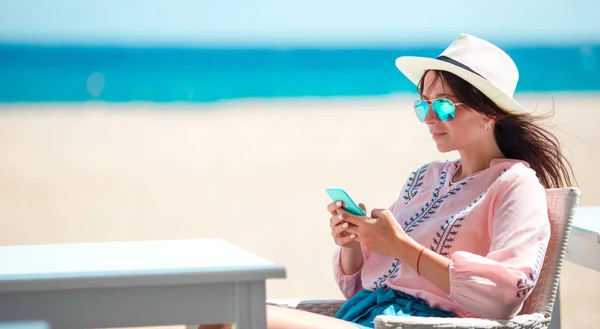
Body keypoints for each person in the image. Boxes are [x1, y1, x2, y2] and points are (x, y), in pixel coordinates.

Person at [200, 33, 575, 329]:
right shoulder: (425, 178)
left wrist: (403, 248)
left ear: (489, 114)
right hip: (369, 316)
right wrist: (354, 242)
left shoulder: (514, 184)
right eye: (423, 105)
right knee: (221, 313)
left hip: (421, 325)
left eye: (444, 105)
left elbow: (506, 294)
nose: (430, 117)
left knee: (233, 317)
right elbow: (360, 286)